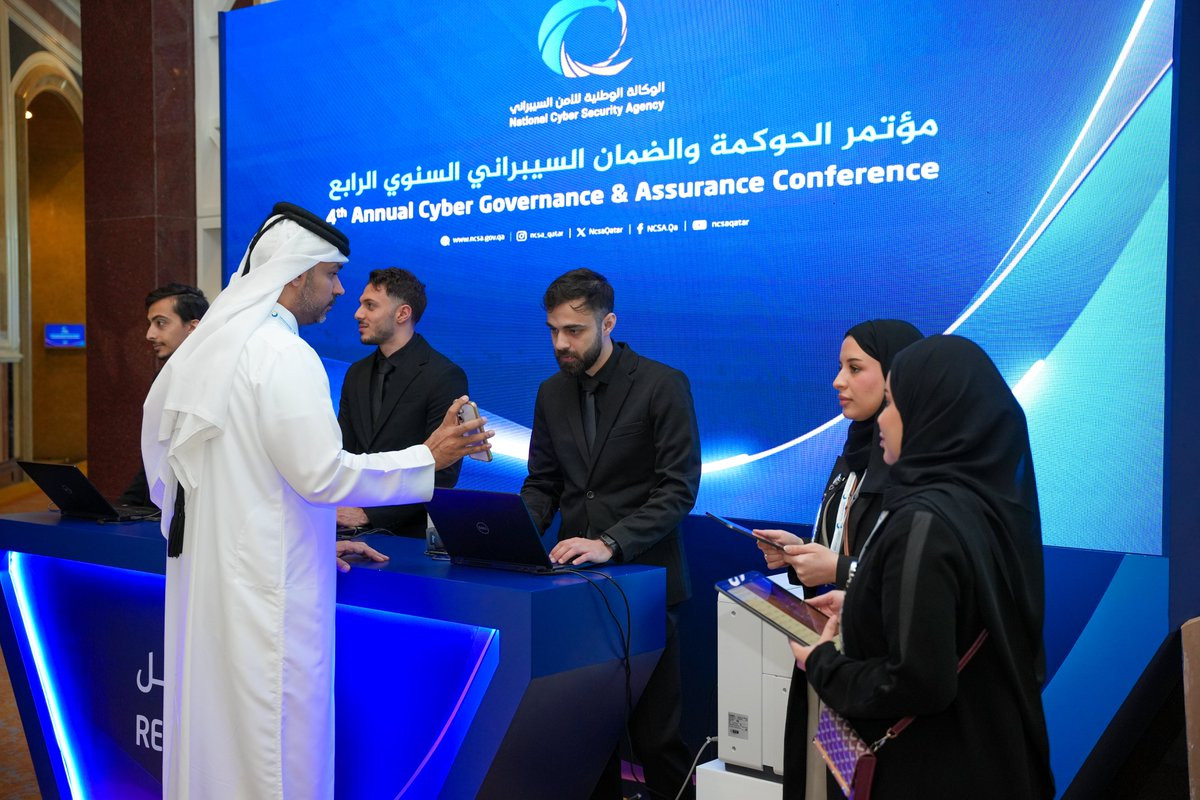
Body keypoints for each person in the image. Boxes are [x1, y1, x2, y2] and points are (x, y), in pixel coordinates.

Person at [140, 202, 492, 800]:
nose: (339, 291)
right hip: (266, 597)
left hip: (219, 581)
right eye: (332, 275)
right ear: (297, 273)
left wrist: (307, 536)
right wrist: (427, 457)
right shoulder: (282, 352)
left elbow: (230, 480)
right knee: (274, 754)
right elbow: (321, 474)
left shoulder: (218, 350)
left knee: (218, 743)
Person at [793, 335, 1054, 798]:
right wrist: (864, 607)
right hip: (991, 758)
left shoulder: (923, 520)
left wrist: (823, 664)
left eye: (894, 402)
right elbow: (956, 616)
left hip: (931, 770)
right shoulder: (983, 503)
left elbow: (915, 681)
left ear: (932, 412)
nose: (883, 417)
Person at [520, 268, 702, 800]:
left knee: (655, 740)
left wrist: (610, 543)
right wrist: (505, 533)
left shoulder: (662, 384)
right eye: (554, 330)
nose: (561, 343)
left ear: (609, 323)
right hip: (573, 591)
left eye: (574, 330)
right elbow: (543, 484)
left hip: (647, 587)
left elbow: (678, 489)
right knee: (584, 742)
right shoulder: (550, 392)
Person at [754, 319, 922, 799]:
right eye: (839, 367)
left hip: (874, 668)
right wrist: (800, 552)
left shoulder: (911, 469)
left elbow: (907, 575)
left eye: (855, 368)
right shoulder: (854, 450)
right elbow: (842, 542)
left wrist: (838, 569)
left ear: (895, 378)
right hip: (829, 649)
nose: (837, 381)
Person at [336, 267, 469, 536]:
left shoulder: (443, 376)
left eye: (370, 305)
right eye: (361, 304)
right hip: (346, 532)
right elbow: (343, 452)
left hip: (408, 540)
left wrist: (369, 515)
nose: (358, 314)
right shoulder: (355, 374)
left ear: (402, 314)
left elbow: (442, 472)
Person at [118, 283, 210, 508]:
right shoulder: (164, 378)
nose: (150, 335)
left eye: (161, 323)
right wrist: (126, 507)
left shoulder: (212, 380)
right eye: (150, 324)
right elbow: (158, 455)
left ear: (192, 327)